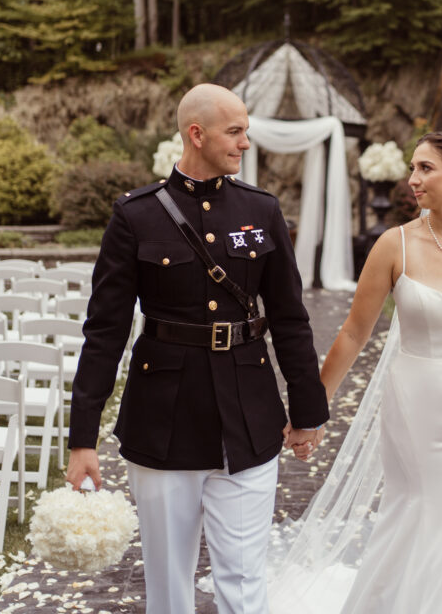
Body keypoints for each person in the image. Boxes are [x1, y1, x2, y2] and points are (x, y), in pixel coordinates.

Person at [66, 83, 329, 614]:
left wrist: (307, 412)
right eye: (235, 133)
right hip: (162, 423)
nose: (245, 144)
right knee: (168, 589)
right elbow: (105, 331)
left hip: (249, 419)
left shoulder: (262, 210)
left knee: (244, 583)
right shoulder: (135, 216)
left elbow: (290, 318)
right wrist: (82, 438)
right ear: (196, 134)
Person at [270, 129, 442, 614]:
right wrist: (311, 411)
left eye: (426, 168)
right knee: (417, 514)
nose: (412, 180)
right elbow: (354, 335)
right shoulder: (393, 245)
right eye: (411, 168)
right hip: (415, 408)